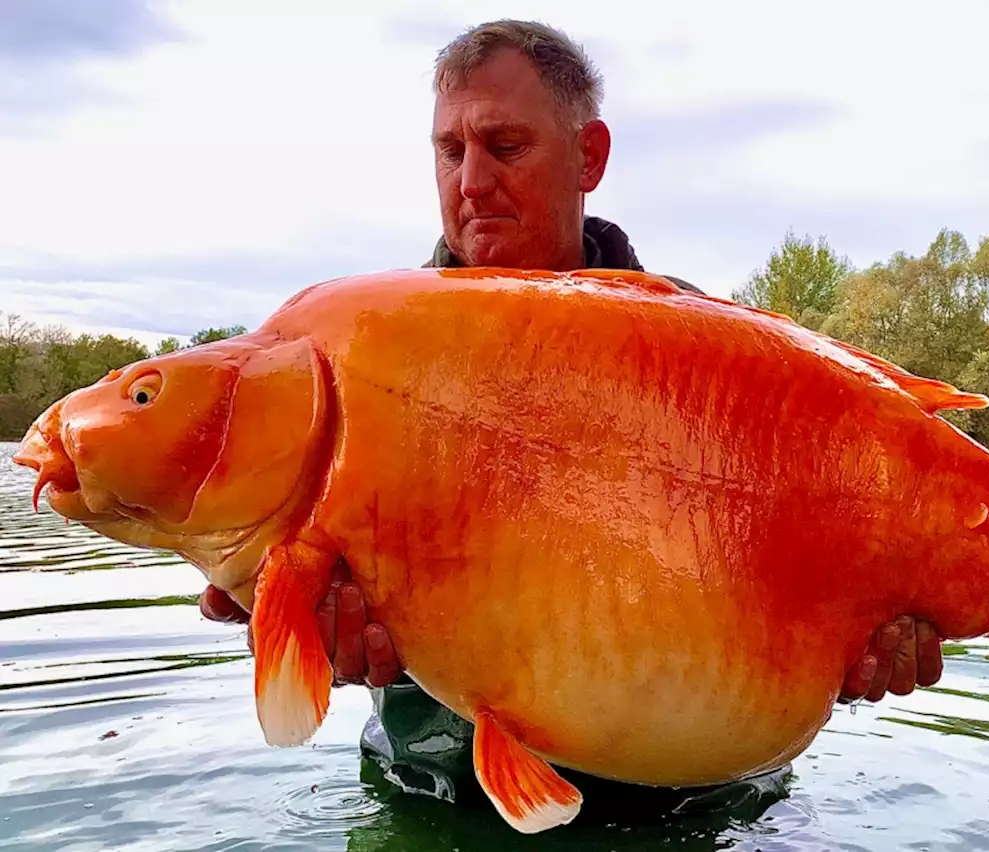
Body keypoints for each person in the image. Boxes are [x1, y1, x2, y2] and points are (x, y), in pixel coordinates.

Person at [198, 18, 944, 821]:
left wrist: (870, 645)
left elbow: (822, 583)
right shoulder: (358, 356)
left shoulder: (718, 355)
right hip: (434, 795)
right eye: (450, 151)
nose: (472, 180)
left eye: (505, 146)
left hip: (698, 810)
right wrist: (295, 624)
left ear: (589, 155)